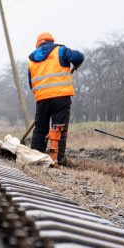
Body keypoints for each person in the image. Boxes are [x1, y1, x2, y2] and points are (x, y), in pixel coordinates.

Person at [28, 31, 84, 165]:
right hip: (60, 97)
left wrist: (43, 92)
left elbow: (31, 83)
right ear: (51, 41)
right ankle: (57, 159)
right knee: (59, 128)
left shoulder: (32, 59)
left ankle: (36, 158)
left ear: (38, 44)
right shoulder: (60, 50)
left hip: (42, 98)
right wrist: (75, 63)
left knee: (40, 129)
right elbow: (79, 57)